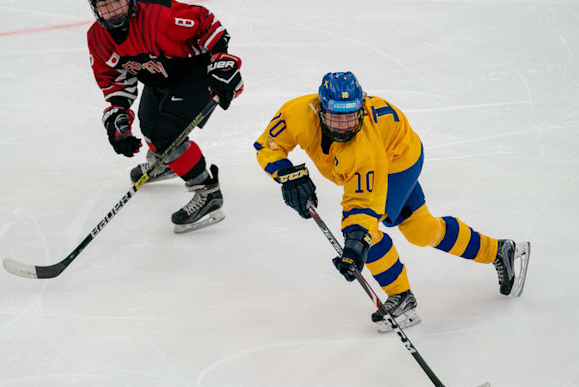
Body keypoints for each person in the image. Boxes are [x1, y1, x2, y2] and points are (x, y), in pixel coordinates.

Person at [253, 72, 531, 331]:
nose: (344, 127)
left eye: (350, 118)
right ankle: (500, 251)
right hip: (391, 150)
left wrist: (356, 243)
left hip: (398, 162)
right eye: (336, 119)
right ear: (321, 110)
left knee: (366, 231)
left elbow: (363, 203)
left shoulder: (362, 148)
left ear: (360, 111)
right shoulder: (296, 113)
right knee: (422, 231)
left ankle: (400, 295)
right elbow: (268, 145)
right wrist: (288, 174)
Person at [87, 0, 243, 233]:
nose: (113, 10)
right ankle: (170, 163)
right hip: (158, 78)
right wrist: (118, 115)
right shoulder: (97, 38)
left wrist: (222, 63)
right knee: (149, 126)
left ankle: (208, 192)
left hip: (195, 71)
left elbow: (206, 23)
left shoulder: (160, 15)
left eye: (117, 0)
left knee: (165, 134)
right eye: (105, 4)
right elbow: (112, 79)